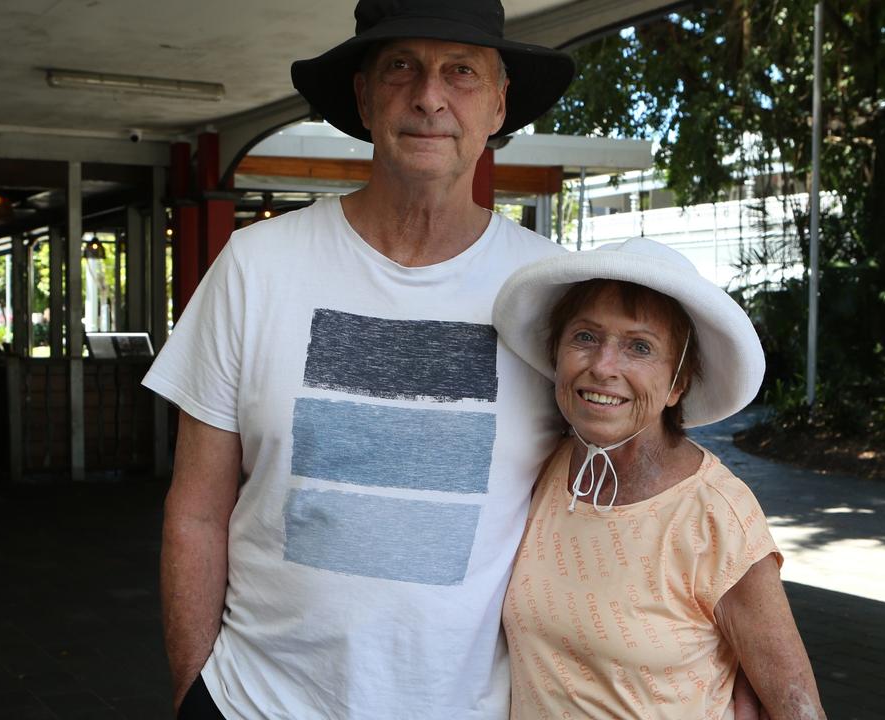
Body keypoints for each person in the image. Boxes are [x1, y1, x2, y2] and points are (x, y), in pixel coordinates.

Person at [140, 1, 579, 717]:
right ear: (364, 96)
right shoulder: (257, 265)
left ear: (499, 105)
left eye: (461, 72)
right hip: (259, 702)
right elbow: (196, 509)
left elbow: (611, 509)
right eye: (401, 66)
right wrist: (196, 693)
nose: (429, 95)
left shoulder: (554, 294)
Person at [493, 237, 825, 719]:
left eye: (639, 347)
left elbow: (798, 708)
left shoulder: (715, 513)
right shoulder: (542, 471)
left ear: (678, 383)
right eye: (585, 337)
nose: (604, 366)